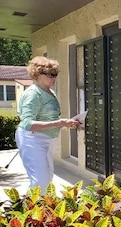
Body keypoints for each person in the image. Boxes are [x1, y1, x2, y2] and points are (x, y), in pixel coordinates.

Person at [15, 56, 80, 193]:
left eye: (55, 74)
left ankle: (42, 211)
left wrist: (66, 123)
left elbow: (48, 118)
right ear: (37, 74)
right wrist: (60, 122)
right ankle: (28, 211)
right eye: (50, 74)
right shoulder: (33, 93)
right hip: (32, 138)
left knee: (47, 178)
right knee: (40, 181)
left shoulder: (50, 92)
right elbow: (27, 123)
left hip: (47, 139)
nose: (54, 78)